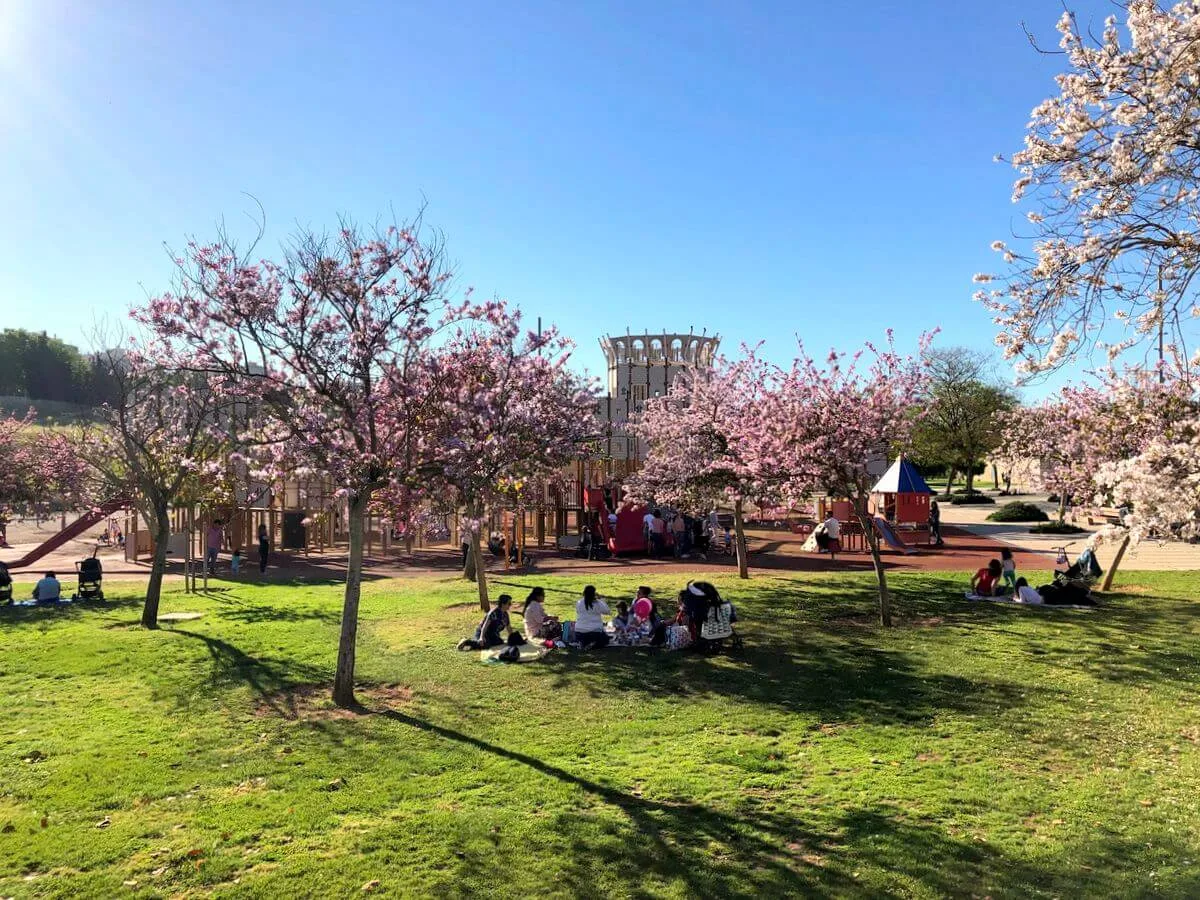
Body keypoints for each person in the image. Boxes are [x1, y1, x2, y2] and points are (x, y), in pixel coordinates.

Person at [574, 585, 610, 649]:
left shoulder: (579, 602)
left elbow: (577, 611)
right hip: (594, 632)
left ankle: (583, 643)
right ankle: (593, 644)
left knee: (585, 638)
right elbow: (607, 611)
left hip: (579, 632)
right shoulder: (598, 603)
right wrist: (601, 599)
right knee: (606, 640)